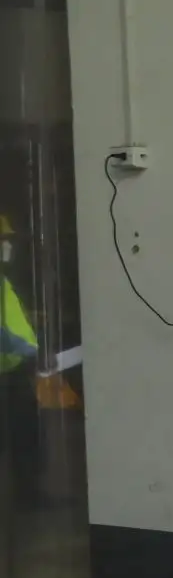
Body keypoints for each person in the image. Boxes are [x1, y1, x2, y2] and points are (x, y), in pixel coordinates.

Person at [0, 215, 44, 508]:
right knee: (21, 436)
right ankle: (28, 498)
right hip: (9, 369)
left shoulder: (2, 279)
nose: (7, 245)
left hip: (13, 370)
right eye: (3, 240)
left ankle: (29, 496)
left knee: (26, 436)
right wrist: (27, 349)